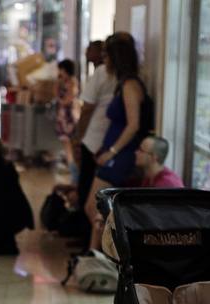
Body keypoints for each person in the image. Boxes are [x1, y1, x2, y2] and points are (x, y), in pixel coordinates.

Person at [86, 33, 152, 250]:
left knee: (96, 209)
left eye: (107, 55)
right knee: (95, 209)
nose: (104, 60)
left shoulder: (130, 85)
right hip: (115, 153)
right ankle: (97, 255)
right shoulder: (123, 83)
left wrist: (112, 151)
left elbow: (133, 124)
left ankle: (104, 257)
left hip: (120, 155)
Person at [72, 40, 114, 229]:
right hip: (103, 140)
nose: (87, 52)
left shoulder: (102, 73)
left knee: (86, 188)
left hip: (93, 139)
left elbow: (87, 108)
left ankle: (85, 239)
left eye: (92, 50)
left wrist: (78, 136)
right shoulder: (118, 77)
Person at [53, 60, 79, 158]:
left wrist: (60, 101)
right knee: (65, 142)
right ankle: (71, 164)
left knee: (69, 142)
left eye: (61, 70)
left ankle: (73, 166)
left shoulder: (72, 81)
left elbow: (68, 100)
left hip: (69, 115)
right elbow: (55, 94)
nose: (59, 72)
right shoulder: (62, 82)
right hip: (62, 116)